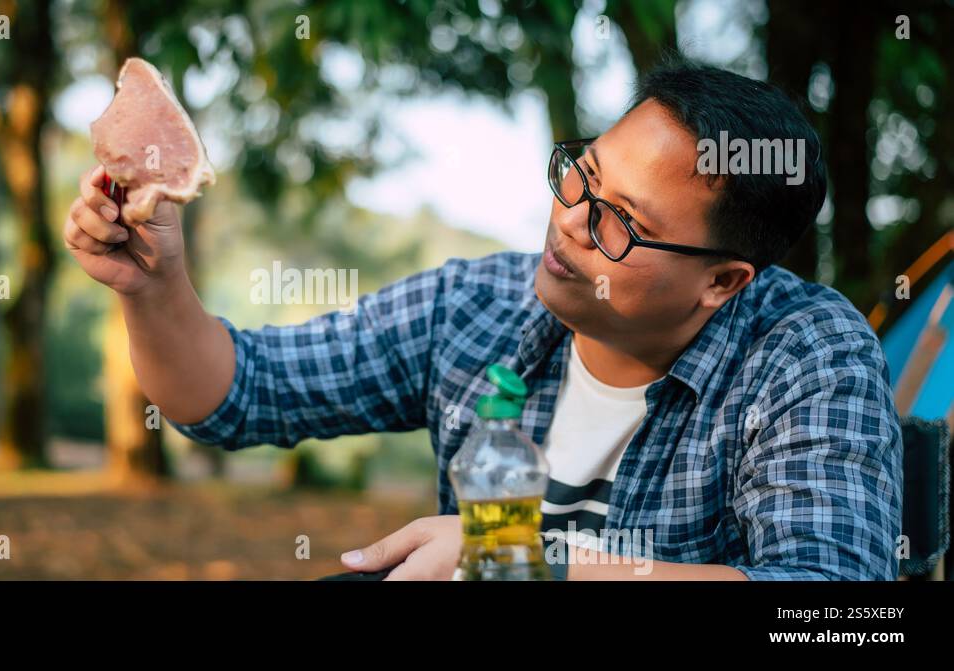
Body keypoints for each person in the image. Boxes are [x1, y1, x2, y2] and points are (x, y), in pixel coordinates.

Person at [62, 57, 902, 580]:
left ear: (722, 281)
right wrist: (154, 284)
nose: (570, 218)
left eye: (620, 221)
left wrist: (518, 560)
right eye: (581, 176)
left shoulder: (807, 354)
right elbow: (236, 394)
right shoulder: (478, 306)